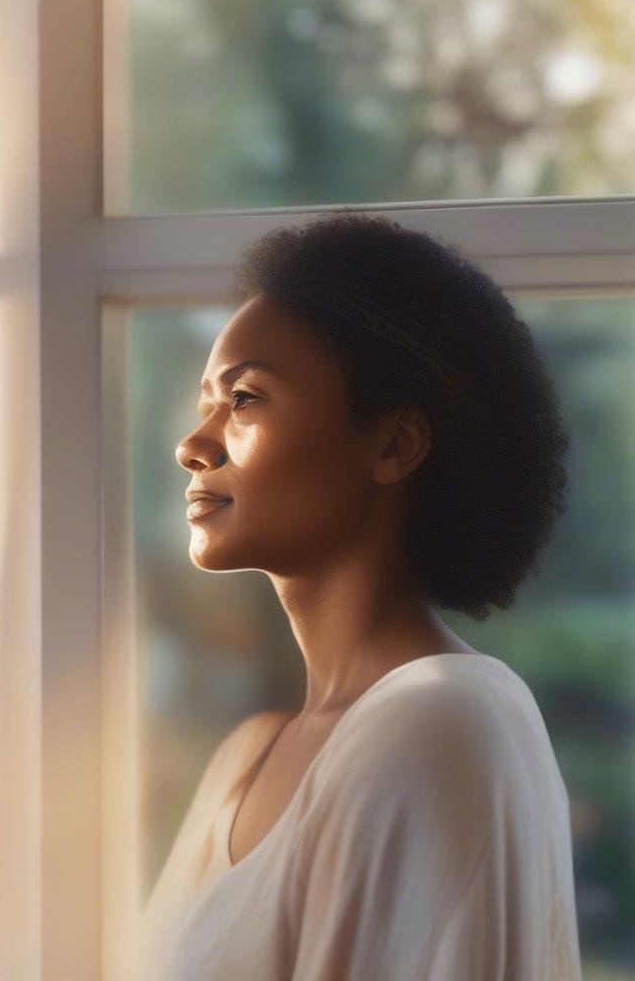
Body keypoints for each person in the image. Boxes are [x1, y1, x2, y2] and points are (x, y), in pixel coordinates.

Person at [139, 212, 582, 980]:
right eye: (207, 401)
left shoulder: (442, 718)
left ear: (393, 444)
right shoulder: (247, 760)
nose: (193, 444)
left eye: (244, 400)